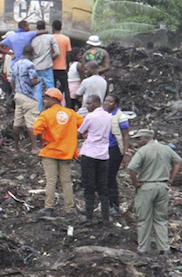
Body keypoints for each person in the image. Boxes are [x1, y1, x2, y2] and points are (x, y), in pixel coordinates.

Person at [128, 129, 182, 255]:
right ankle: (164, 248)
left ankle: (143, 249)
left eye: (139, 138)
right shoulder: (166, 148)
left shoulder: (143, 151)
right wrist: (171, 179)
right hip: (163, 187)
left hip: (147, 186)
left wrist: (136, 183)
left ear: (146, 138)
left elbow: (131, 168)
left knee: (144, 219)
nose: (137, 141)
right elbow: (178, 162)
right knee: (161, 219)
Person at [33, 88, 83, 217]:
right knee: (66, 181)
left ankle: (49, 208)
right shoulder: (71, 113)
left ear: (55, 100)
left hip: (50, 152)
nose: (44, 101)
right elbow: (84, 125)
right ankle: (69, 209)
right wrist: (75, 137)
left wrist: (41, 142)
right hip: (66, 152)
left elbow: (36, 129)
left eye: (47, 99)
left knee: (51, 181)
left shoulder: (46, 114)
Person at [77, 95, 112, 223]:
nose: (87, 106)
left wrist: (85, 135)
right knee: (103, 186)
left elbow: (79, 133)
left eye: (89, 103)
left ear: (96, 103)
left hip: (90, 154)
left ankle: (88, 215)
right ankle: (105, 217)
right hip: (103, 155)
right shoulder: (108, 117)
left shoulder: (90, 117)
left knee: (89, 185)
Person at [12, 45, 42, 153]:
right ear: (30, 54)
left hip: (18, 95)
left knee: (17, 123)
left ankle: (16, 147)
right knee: (31, 123)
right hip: (29, 96)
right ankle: (34, 147)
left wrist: (14, 92)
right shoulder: (30, 65)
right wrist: (39, 79)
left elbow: (12, 81)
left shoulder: (15, 64)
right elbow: (32, 81)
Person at [103, 94, 130, 213]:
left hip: (114, 149)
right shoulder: (101, 114)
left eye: (110, 101)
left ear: (115, 104)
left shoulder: (120, 116)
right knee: (103, 176)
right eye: (106, 101)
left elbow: (125, 135)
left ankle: (114, 204)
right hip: (102, 148)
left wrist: (125, 152)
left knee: (110, 176)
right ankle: (106, 203)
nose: (107, 103)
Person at [30, 20, 59, 112]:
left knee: (37, 90)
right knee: (50, 88)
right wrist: (51, 58)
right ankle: (52, 109)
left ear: (37, 28)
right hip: (47, 66)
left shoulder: (33, 39)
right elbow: (57, 52)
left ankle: (38, 110)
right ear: (45, 27)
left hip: (36, 66)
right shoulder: (50, 37)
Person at [51, 20, 72, 107]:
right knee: (66, 88)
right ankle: (69, 106)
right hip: (62, 67)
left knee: (53, 88)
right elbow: (68, 54)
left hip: (51, 67)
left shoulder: (50, 38)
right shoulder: (66, 39)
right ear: (61, 27)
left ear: (52, 27)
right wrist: (67, 66)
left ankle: (53, 105)